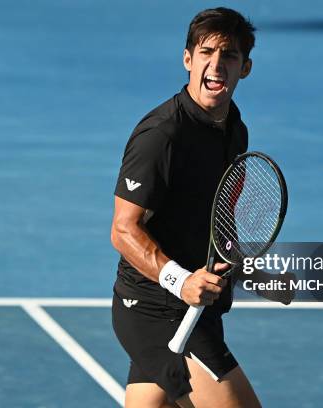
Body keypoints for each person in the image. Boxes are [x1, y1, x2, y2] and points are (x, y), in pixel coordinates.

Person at [111, 8, 263, 407]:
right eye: (206, 52)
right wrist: (181, 281)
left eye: (228, 55)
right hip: (154, 308)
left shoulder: (234, 128)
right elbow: (123, 230)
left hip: (198, 307)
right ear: (188, 60)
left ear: (245, 67)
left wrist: (252, 272)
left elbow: (218, 221)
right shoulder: (162, 135)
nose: (216, 65)